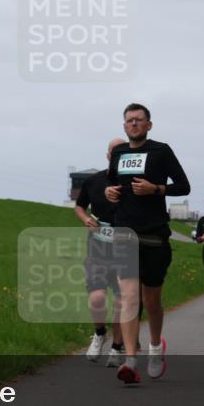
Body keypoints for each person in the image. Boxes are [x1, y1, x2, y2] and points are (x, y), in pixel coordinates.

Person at [105, 103, 190, 383]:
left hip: (154, 235)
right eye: (128, 120)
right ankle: (130, 360)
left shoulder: (160, 151)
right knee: (129, 298)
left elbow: (184, 186)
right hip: (124, 232)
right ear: (124, 125)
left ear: (149, 125)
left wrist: (157, 189)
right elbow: (112, 184)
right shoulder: (118, 153)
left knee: (152, 299)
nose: (133, 124)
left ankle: (155, 348)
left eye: (138, 120)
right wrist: (110, 192)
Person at [75, 138, 129, 367]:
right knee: (97, 298)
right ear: (107, 155)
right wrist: (86, 218)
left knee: (120, 301)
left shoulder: (135, 183)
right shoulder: (93, 181)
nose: (116, 156)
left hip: (126, 247)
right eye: (113, 152)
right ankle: (99, 333)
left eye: (121, 153)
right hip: (98, 245)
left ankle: (117, 347)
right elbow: (79, 206)